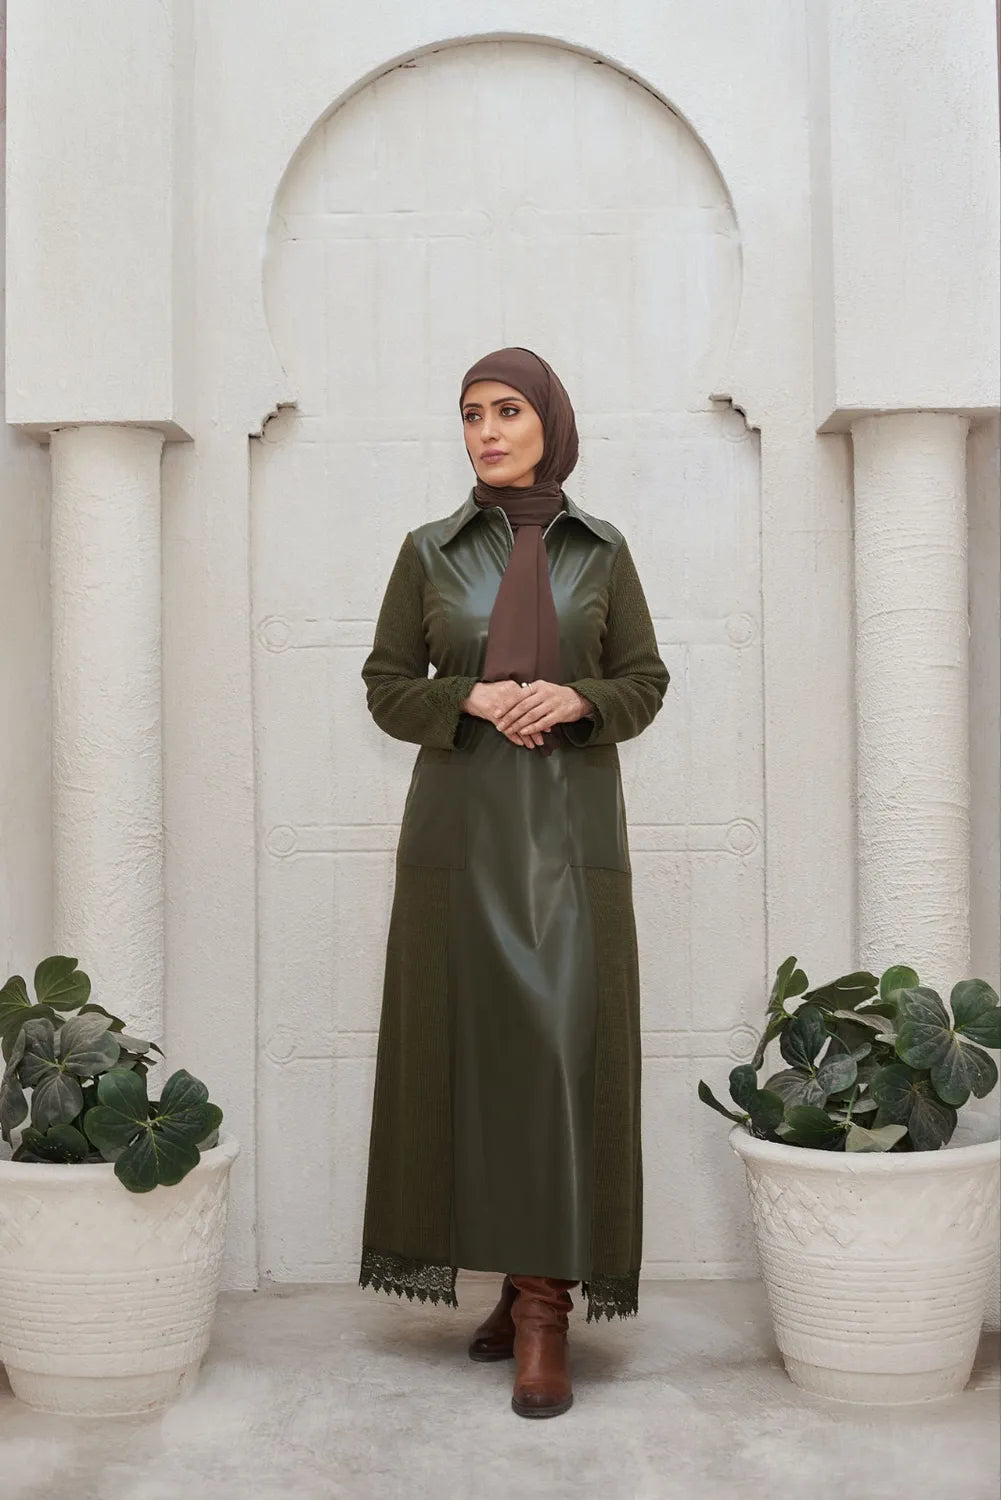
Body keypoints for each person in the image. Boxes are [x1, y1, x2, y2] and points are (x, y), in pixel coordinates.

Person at [357, 346, 670, 1418]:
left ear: (549, 421)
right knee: (478, 1052)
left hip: (569, 838)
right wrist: (469, 700)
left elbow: (644, 681)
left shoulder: (600, 551)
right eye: (469, 415)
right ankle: (511, 1280)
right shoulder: (427, 553)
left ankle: (544, 1309)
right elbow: (384, 685)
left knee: (554, 1049)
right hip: (460, 833)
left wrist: (577, 701)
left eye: (505, 411)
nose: (485, 431)